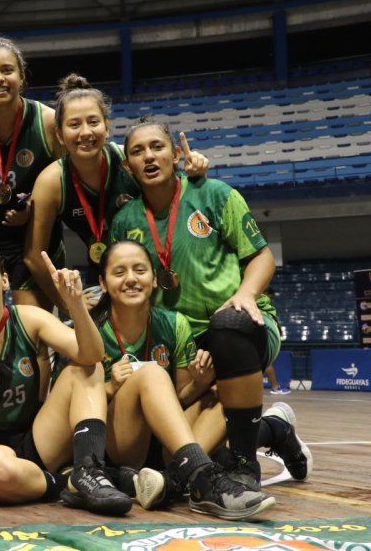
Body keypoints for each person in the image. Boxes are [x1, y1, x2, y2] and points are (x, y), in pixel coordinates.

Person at [110, 118, 312, 488]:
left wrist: (245, 293)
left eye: (157, 147)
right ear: (128, 167)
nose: (149, 156)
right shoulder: (124, 221)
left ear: (175, 154)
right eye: (137, 151)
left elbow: (262, 257)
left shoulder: (215, 194)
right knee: (178, 447)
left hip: (241, 325)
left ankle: (245, 467)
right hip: (180, 344)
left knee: (227, 326)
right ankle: (275, 430)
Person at [0, 242, 132, 515]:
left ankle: (89, 468)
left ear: (4, 281)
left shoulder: (29, 318)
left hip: (35, 441)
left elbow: (92, 355)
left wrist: (74, 302)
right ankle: (69, 482)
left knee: (86, 368)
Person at [93, 240, 274, 519]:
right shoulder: (92, 330)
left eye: (140, 270)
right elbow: (75, 407)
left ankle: (170, 480)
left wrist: (200, 384)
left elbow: (177, 401)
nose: (131, 279)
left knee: (222, 394)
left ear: (154, 279)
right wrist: (108, 388)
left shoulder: (174, 323)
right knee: (150, 374)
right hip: (122, 444)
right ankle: (198, 476)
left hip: (169, 445)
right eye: (119, 272)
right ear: (103, 283)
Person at [26, 74, 208, 310]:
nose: (85, 132)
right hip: (104, 277)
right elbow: (33, 256)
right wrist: (67, 303)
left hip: (156, 268)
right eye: (74, 124)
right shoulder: (51, 182)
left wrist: (196, 171)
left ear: (107, 127)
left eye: (93, 122)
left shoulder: (130, 159)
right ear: (60, 134)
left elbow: (175, 194)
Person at [0, 37, 62, 309]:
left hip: (35, 237)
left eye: (7, 70)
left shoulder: (47, 121)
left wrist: (35, 206)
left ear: (21, 75)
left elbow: (67, 184)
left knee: (33, 336)